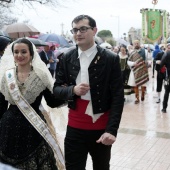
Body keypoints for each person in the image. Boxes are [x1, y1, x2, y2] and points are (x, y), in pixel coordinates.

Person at [53, 14, 124, 170]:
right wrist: (73, 90)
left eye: (83, 29)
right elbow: (56, 89)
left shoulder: (110, 58)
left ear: (94, 30)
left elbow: (118, 96)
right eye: (75, 30)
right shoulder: (67, 57)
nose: (78, 33)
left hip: (101, 128)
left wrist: (112, 130)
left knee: (101, 167)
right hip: (75, 127)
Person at [0, 38, 65, 170]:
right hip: (8, 129)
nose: (19, 55)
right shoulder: (6, 76)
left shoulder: (41, 75)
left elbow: (51, 102)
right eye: (16, 52)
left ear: (31, 54)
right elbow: (1, 106)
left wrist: (68, 92)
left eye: (23, 52)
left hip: (33, 129)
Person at [127, 40, 149, 104]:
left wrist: (147, 64)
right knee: (135, 85)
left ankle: (143, 94)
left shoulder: (144, 51)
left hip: (143, 69)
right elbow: (128, 62)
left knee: (143, 84)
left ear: (139, 44)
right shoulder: (131, 52)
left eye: (137, 43)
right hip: (135, 70)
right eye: (135, 43)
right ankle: (137, 98)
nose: (136, 44)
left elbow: (147, 60)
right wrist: (134, 63)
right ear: (133, 44)